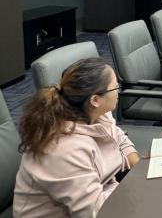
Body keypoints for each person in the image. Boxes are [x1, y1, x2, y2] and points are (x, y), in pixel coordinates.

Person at [13, 58, 139, 217]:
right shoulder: (64, 149)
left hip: (104, 191)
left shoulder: (96, 113)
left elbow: (118, 137)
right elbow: (94, 212)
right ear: (95, 100)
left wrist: (141, 169)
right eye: (116, 87)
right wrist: (135, 193)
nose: (118, 91)